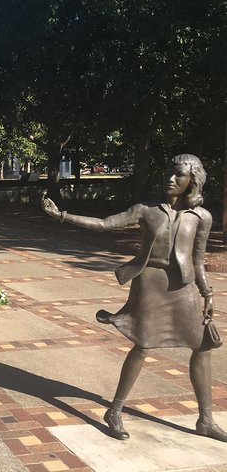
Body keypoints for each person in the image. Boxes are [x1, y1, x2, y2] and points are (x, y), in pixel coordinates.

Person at [42, 154, 226, 442]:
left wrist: (208, 294)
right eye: (169, 172)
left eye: (179, 175)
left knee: (203, 347)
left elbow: (198, 261)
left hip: (184, 288)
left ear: (193, 181)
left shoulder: (202, 217)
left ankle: (205, 420)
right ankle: (114, 411)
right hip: (150, 283)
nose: (171, 178)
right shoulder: (146, 210)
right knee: (143, 345)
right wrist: (62, 216)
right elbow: (104, 223)